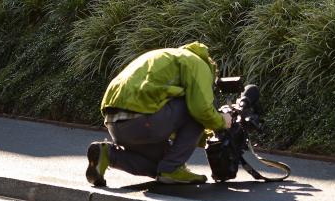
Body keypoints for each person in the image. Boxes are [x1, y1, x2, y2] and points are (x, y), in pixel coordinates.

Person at [85, 42, 233, 186]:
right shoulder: (199, 65)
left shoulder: (169, 56)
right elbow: (201, 110)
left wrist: (205, 137)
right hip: (143, 119)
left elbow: (178, 127)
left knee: (159, 166)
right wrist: (221, 122)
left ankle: (108, 154)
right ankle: (172, 168)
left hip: (116, 124)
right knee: (195, 109)